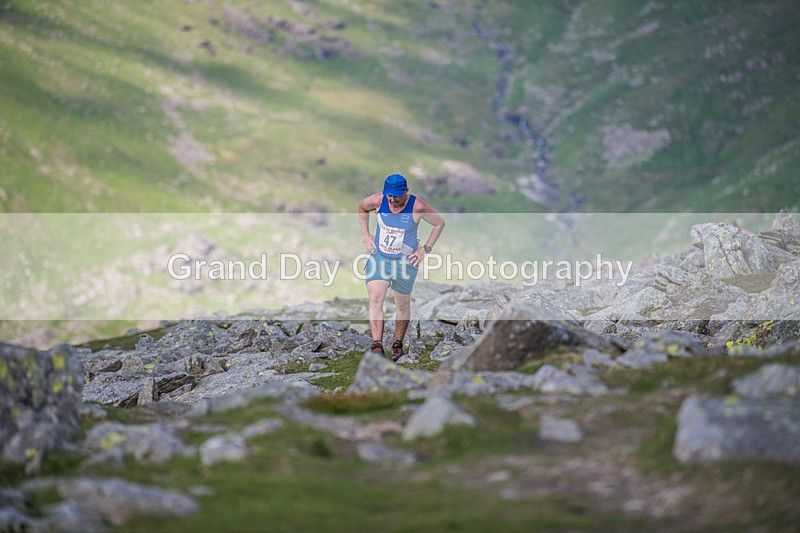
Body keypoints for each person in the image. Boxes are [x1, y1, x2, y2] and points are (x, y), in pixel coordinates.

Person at [358, 173, 445, 361]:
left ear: (406, 192)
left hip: (406, 263)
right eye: (390, 195)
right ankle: (376, 346)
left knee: (402, 304)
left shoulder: (418, 206)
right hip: (380, 258)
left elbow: (439, 223)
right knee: (375, 298)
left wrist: (426, 248)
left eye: (397, 196)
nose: (392, 200)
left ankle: (397, 343)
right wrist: (366, 236)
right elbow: (362, 208)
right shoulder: (378, 200)